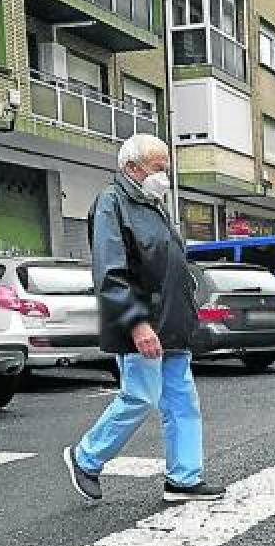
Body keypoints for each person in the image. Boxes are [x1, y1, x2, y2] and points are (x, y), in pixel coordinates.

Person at [63, 134, 225, 503]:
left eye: (166, 168)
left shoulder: (153, 205)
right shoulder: (111, 203)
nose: (164, 176)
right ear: (132, 168)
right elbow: (110, 272)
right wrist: (137, 324)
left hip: (171, 324)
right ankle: (85, 457)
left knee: (182, 402)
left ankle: (183, 479)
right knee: (139, 396)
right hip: (143, 324)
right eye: (158, 168)